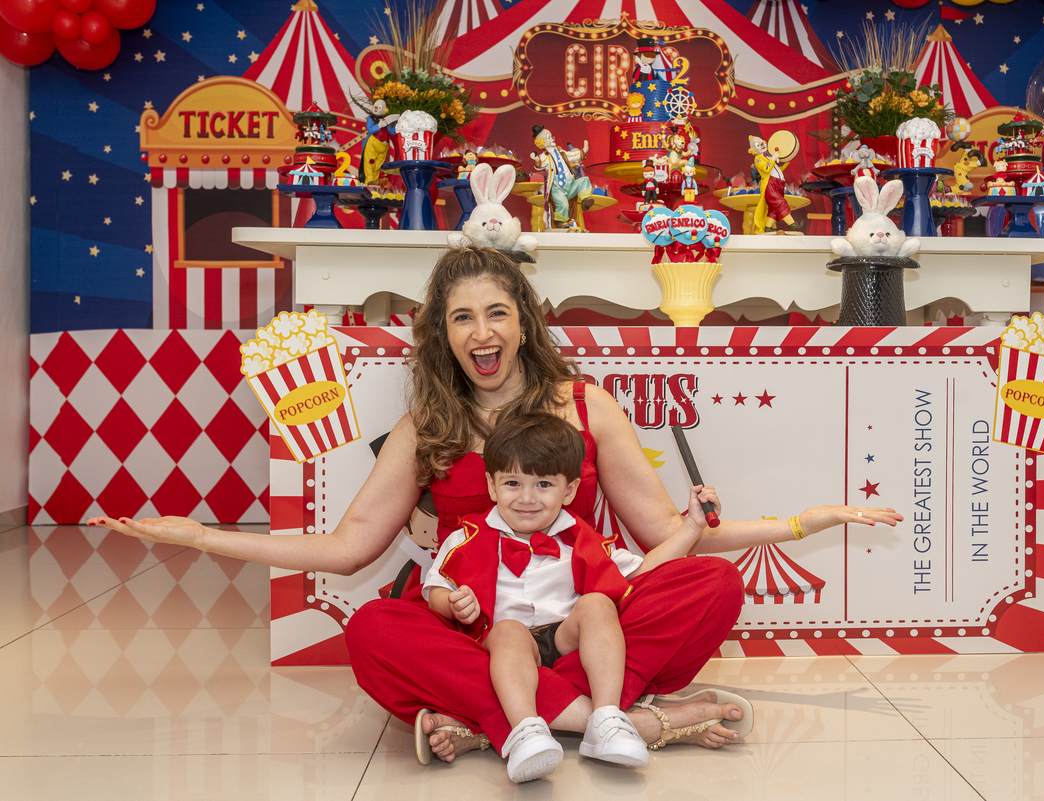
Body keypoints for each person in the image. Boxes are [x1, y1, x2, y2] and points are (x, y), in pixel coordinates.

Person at [87, 246, 902, 771]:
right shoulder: (428, 425)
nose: (481, 331)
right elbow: (348, 548)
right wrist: (201, 535)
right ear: (443, 334)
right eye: (461, 317)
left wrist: (808, 519)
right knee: (372, 631)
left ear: (523, 321)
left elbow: (674, 536)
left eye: (496, 311)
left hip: (584, 623)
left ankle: (495, 724)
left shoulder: (587, 405)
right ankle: (612, 722)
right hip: (475, 628)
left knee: (713, 588)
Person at [427, 411, 722, 781]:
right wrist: (452, 603)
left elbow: (644, 572)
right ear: (491, 486)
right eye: (513, 483)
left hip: (568, 643)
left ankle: (606, 717)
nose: (527, 498)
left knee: (598, 603)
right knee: (505, 631)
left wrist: (692, 526)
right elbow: (436, 588)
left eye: (544, 485)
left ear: (569, 490)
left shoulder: (581, 538)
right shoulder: (465, 537)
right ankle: (525, 730)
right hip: (506, 649)